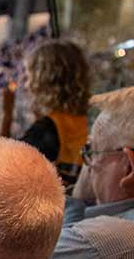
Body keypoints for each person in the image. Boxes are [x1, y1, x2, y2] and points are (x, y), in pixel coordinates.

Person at [54, 87, 134, 259]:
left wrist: (77, 196)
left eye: (91, 151)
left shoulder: (102, 241)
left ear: (128, 167)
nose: (87, 164)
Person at [18, 39, 92, 185]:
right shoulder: (88, 120)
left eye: (28, 76)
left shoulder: (46, 129)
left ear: (42, 80)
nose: (26, 84)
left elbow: (2, 172)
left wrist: (6, 114)